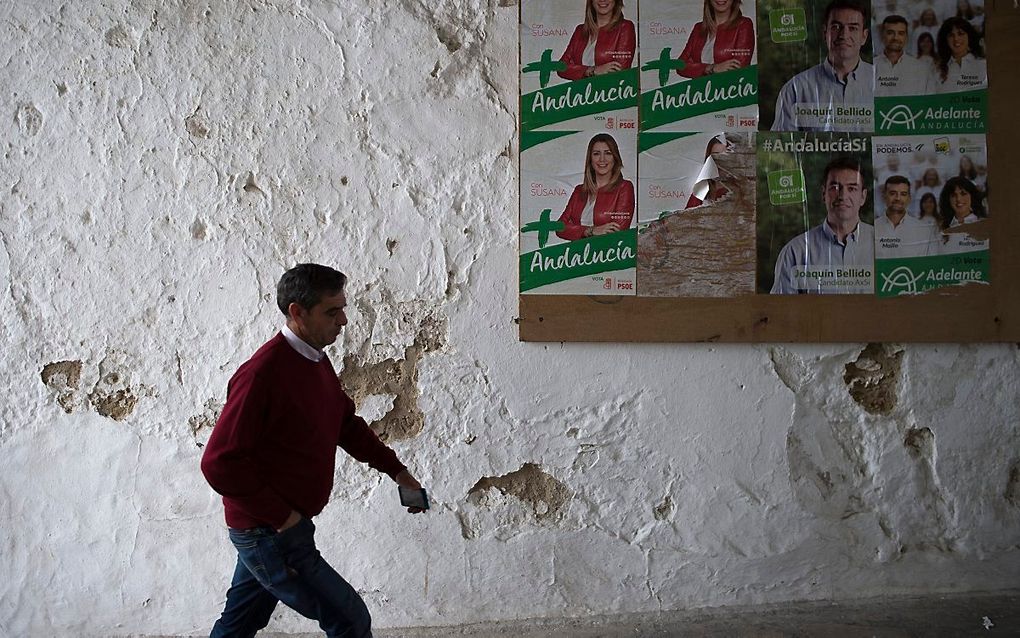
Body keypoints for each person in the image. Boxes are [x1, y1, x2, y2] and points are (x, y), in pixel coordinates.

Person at [201, 263, 426, 638]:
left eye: (343, 308)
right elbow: (218, 463)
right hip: (270, 533)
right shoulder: (261, 374)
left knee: (238, 625)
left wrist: (397, 471)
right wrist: (283, 518)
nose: (343, 321)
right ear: (297, 312)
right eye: (332, 311)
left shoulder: (315, 360)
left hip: (276, 528)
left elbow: (344, 425)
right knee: (349, 619)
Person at [770, 156, 874, 294]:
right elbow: (780, 311)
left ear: (863, 196)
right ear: (823, 193)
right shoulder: (795, 251)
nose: (842, 195)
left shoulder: (880, 244)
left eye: (852, 188)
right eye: (835, 187)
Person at [771, 0, 873, 131]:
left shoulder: (880, 83)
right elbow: (782, 146)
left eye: (853, 28)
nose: (844, 35)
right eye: (836, 27)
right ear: (825, 33)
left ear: (864, 37)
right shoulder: (796, 89)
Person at [557, 133, 635, 240]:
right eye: (596, 154)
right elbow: (560, 227)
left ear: (615, 158)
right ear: (590, 159)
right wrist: (591, 231)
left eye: (608, 153)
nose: (602, 159)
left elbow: (618, 232)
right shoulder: (579, 190)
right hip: (577, 254)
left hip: (607, 255)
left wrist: (575, 230)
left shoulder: (624, 188)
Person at [557, 0, 636, 81]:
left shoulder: (625, 28)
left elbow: (620, 72)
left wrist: (578, 71)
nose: (602, 0)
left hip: (609, 93)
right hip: (580, 92)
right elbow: (561, 67)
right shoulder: (580, 30)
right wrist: (592, 70)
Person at [676, 0, 755, 78]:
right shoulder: (698, 28)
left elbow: (740, 69)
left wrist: (697, 69)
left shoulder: (744, 25)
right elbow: (680, 65)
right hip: (699, 90)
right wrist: (711, 68)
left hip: (729, 90)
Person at [875, 175, 938, 258]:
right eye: (893, 193)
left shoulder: (923, 230)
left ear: (909, 198)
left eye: (903, 194)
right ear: (884, 196)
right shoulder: (873, 229)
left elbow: (931, 264)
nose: (898, 198)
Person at [874, 15, 935, 96]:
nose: (895, 37)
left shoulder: (922, 69)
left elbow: (930, 103)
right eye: (890, 33)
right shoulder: (871, 68)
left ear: (906, 37)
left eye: (901, 33)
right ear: (882, 36)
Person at [937, 176, 988, 253]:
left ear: (972, 196)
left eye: (963, 193)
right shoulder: (940, 229)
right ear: (948, 200)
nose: (958, 199)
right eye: (954, 195)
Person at [935, 16, 986, 93]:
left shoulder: (983, 65)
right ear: (945, 40)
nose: (956, 39)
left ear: (969, 36)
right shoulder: (937, 70)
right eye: (951, 35)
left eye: (960, 34)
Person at [685, 136, 729, 209]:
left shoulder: (738, 191)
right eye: (716, 155)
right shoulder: (699, 190)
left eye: (726, 156)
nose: (722, 161)